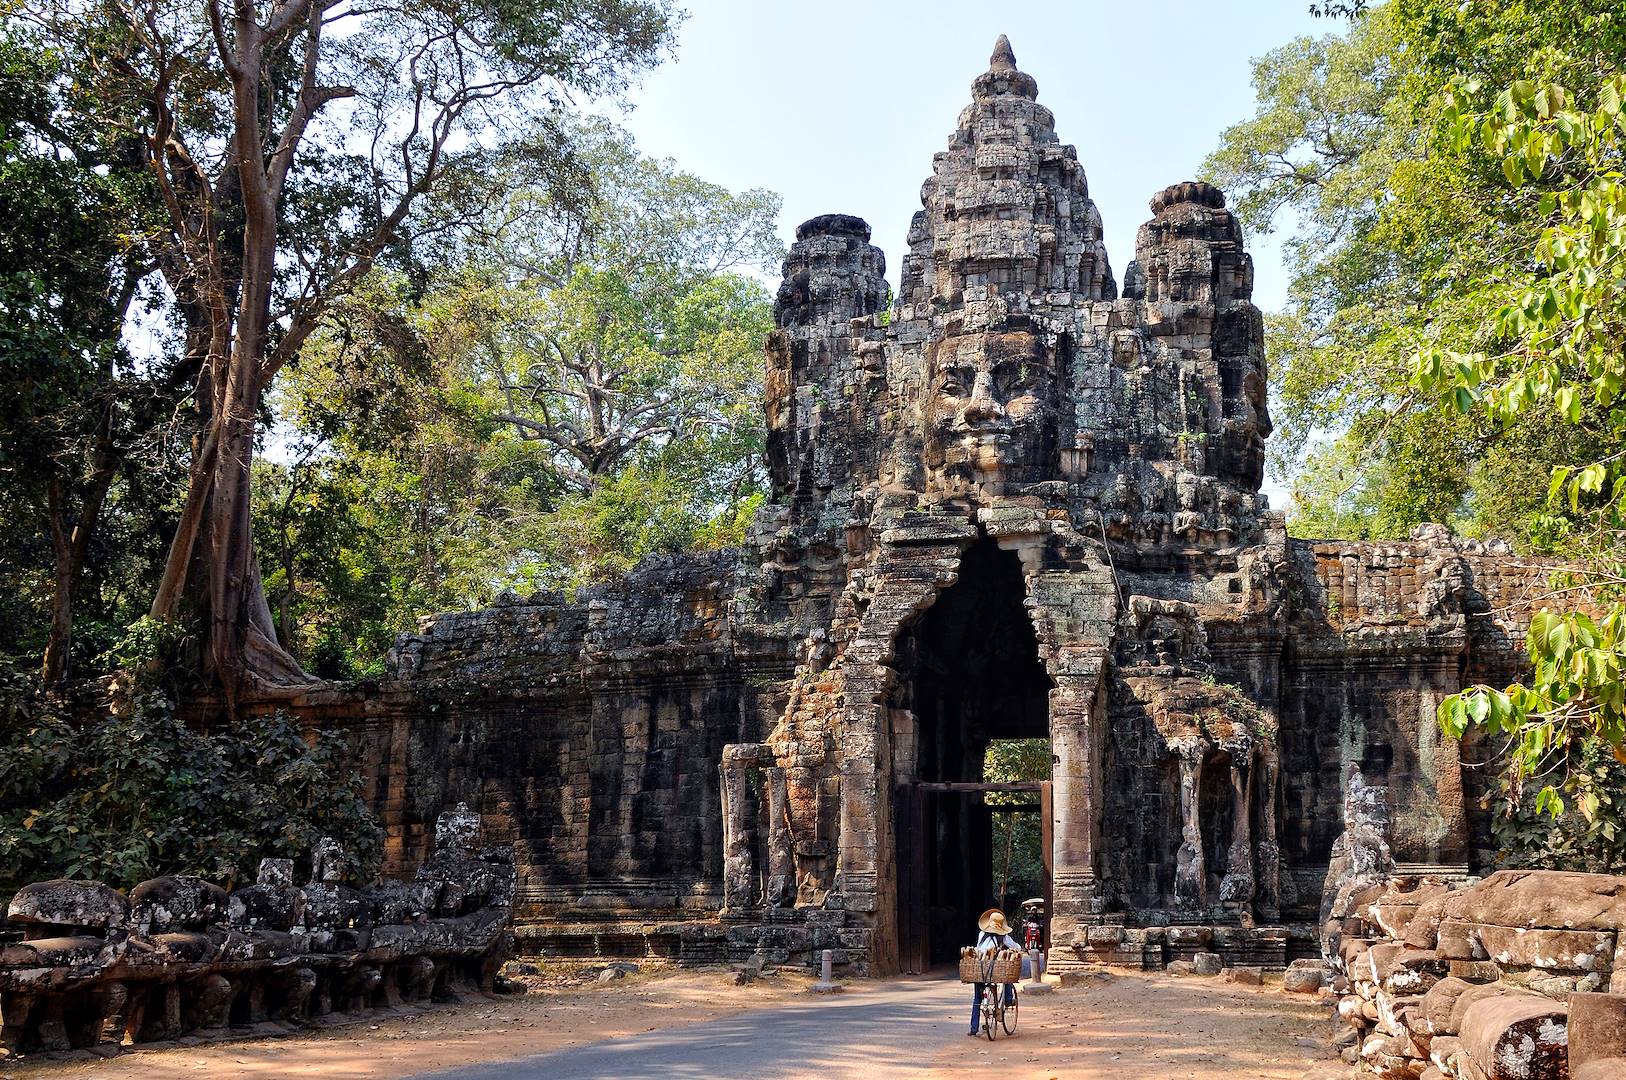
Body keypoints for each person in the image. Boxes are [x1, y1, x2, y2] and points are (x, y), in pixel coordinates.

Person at [968, 907, 1020, 1036]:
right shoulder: (1003, 937)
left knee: (977, 999)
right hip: (994, 970)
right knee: (1006, 976)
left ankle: (973, 1029)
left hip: (980, 969)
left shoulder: (981, 934)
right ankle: (1008, 999)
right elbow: (1016, 947)